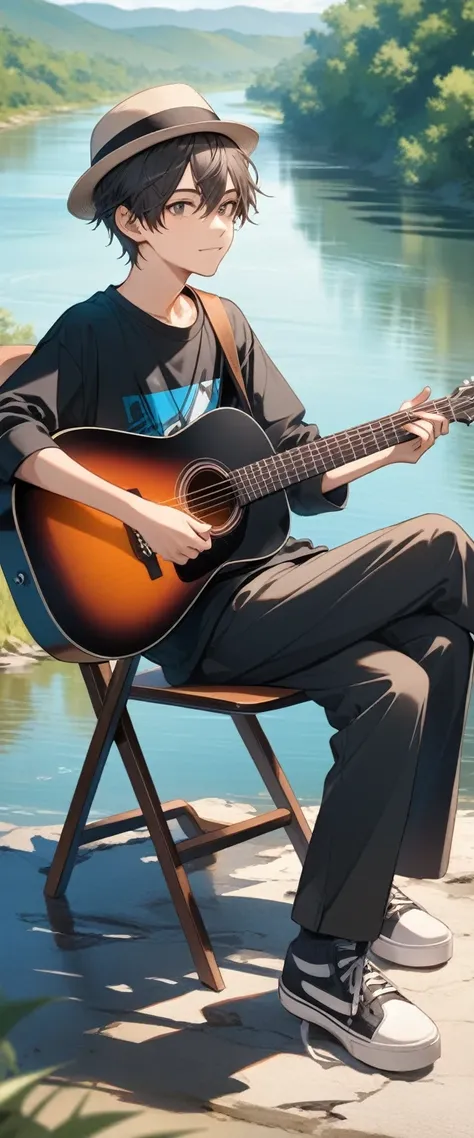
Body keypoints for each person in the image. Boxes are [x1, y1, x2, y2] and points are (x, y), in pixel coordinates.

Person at [0, 83, 472, 1075]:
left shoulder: (227, 320)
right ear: (132, 220)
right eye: (192, 205)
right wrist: (142, 513)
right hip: (187, 618)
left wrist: (390, 449)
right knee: (442, 546)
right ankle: (377, 889)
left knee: (412, 673)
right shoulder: (90, 333)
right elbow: (9, 429)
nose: (219, 225)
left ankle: (329, 956)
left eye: (229, 205)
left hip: (278, 582)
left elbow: (296, 457)